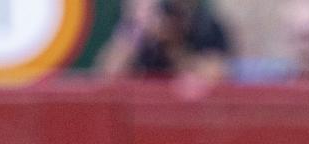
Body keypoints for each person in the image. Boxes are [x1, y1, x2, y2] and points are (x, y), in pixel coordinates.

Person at [96, 0, 234, 86]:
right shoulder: (143, 32)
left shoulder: (205, 25)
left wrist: (174, 47)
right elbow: (107, 75)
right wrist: (136, 30)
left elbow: (218, 73)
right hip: (144, 110)